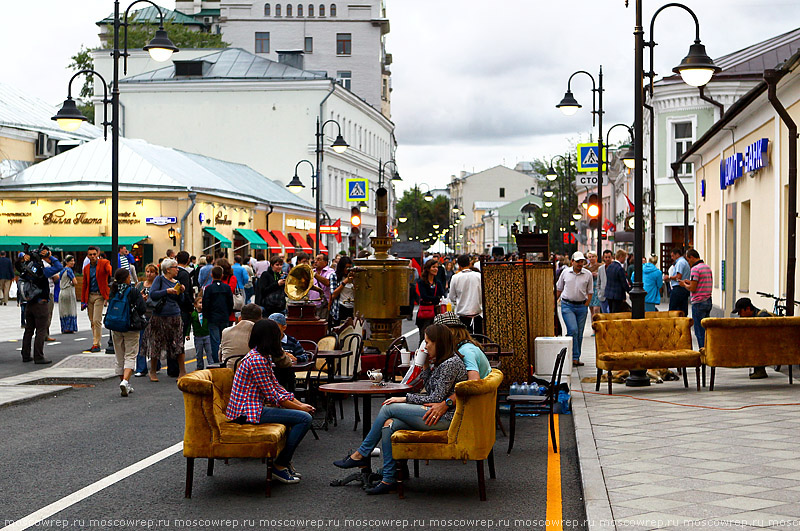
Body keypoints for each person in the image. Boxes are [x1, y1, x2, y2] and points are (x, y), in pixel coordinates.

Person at [333, 323, 467, 495]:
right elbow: (432, 390)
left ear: (438, 342)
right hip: (435, 413)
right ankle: (389, 479)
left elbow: (435, 398)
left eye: (427, 342)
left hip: (446, 418)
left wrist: (405, 398)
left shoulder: (450, 363)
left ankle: (361, 454)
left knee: (390, 407)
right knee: (390, 424)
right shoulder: (442, 362)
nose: (424, 347)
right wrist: (425, 366)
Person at [225, 319, 315, 483]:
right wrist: (301, 409)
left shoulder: (261, 356)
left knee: (300, 415)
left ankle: (283, 462)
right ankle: (279, 465)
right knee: (304, 419)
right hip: (247, 412)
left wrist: (299, 404)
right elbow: (274, 395)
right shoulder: (257, 360)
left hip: (253, 408)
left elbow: (277, 387)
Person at [16, 247, 62, 364]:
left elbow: (17, 265)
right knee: (41, 330)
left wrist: (23, 259)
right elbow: (59, 267)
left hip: (29, 303)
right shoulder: (42, 270)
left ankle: (25, 354)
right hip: (41, 303)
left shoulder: (25, 270)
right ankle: (39, 356)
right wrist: (49, 256)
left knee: (28, 330)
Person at [108, 267, 147, 397]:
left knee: (119, 356)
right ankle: (125, 381)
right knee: (130, 355)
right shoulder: (133, 291)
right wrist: (142, 299)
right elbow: (142, 309)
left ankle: (125, 383)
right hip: (131, 326)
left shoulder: (113, 290)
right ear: (126, 278)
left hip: (116, 326)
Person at [149, 258, 187, 380]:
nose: (177, 269)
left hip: (175, 315)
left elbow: (181, 301)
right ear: (168, 269)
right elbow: (153, 294)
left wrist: (181, 292)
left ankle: (182, 371)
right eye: (175, 267)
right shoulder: (159, 280)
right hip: (160, 316)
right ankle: (153, 371)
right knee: (157, 343)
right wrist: (166, 291)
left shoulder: (177, 282)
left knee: (178, 344)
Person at [556, 251, 594, 366]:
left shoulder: (587, 274)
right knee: (573, 330)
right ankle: (571, 355)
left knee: (579, 333)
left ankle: (575, 357)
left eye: (581, 261)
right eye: (577, 261)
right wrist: (554, 302)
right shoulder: (565, 272)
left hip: (581, 306)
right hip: (567, 305)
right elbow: (559, 288)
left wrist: (586, 304)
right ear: (572, 261)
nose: (579, 264)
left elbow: (590, 291)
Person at [732, 297, 775, 379]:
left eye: (740, 311)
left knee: (757, 343)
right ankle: (758, 370)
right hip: (767, 344)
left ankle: (760, 370)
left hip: (769, 345)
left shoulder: (762, 317)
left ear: (748, 309)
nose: (739, 315)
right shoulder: (754, 316)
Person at [680, 249, 713, 349]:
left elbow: (693, 288)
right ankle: (709, 349)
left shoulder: (695, 269)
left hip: (698, 302)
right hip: (708, 300)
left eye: (688, 260)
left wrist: (684, 284)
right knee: (707, 329)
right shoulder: (707, 267)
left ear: (692, 257)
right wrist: (689, 282)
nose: (688, 263)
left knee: (699, 331)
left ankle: (703, 351)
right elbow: (700, 283)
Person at [82, 246, 112, 352]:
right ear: (87, 256)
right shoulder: (86, 268)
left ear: (97, 254)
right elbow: (85, 284)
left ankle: (96, 344)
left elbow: (109, 271)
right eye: (90, 255)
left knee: (96, 320)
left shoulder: (104, 263)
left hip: (99, 295)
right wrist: (83, 301)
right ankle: (95, 342)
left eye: (94, 254)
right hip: (90, 295)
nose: (93, 256)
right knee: (92, 321)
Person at [266, 312, 305, 391]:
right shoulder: (266, 341)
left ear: (284, 327)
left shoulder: (292, 341)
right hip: (269, 375)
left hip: (287, 374)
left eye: (275, 327)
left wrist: (295, 358)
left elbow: (304, 356)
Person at [204, 266, 234, 361]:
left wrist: (206, 315)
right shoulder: (227, 287)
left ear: (212, 275)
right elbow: (230, 303)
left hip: (212, 317)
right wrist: (228, 313)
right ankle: (225, 358)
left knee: (215, 340)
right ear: (222, 275)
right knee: (224, 339)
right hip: (224, 316)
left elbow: (206, 303)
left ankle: (216, 360)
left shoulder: (209, 289)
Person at [134, 264, 159, 378]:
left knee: (154, 341)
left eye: (152, 272)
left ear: (156, 274)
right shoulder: (139, 285)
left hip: (154, 315)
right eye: (147, 271)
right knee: (141, 342)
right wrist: (140, 298)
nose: (149, 274)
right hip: (142, 316)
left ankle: (156, 365)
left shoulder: (158, 286)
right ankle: (141, 367)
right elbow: (134, 299)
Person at [448, 254, 483, 334]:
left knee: (464, 339)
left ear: (459, 265)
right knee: (478, 339)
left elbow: (452, 297)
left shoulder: (455, 277)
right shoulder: (479, 276)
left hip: (462, 315)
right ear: (470, 263)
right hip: (478, 314)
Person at [416, 258, 445, 347]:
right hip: (425, 313)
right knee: (424, 337)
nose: (436, 269)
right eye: (433, 267)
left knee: (436, 337)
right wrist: (435, 299)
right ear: (428, 269)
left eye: (437, 267)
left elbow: (442, 294)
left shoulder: (438, 283)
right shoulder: (422, 282)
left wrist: (433, 299)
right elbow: (424, 296)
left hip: (436, 312)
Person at [665, 247, 691, 316]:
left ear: (677, 254)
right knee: (682, 309)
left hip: (678, 287)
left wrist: (669, 277)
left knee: (673, 309)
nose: (672, 258)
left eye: (673, 256)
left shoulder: (680, 263)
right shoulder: (684, 262)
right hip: (683, 288)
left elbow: (678, 277)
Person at [187, 295, 212, 370]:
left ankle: (211, 364)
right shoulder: (193, 314)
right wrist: (187, 334)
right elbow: (189, 325)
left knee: (209, 351)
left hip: (207, 334)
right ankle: (199, 366)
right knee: (199, 353)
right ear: (195, 305)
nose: (202, 305)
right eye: (200, 303)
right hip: (198, 336)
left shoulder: (206, 313)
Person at [329, 256, 354, 326]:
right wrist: (344, 282)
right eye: (346, 267)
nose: (347, 270)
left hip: (352, 307)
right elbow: (333, 294)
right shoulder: (334, 276)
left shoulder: (354, 276)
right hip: (340, 307)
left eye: (349, 267)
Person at [604, 249, 631, 313]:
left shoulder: (609, 267)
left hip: (609, 294)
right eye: (624, 258)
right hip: (617, 295)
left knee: (611, 312)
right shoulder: (620, 269)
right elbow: (623, 283)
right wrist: (629, 291)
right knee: (616, 313)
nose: (625, 260)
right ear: (621, 257)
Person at [308, 254, 333, 320]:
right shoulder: (312, 271)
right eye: (315, 259)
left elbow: (327, 283)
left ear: (325, 262)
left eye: (318, 259)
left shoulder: (330, 271)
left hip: (324, 304)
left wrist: (315, 274)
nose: (315, 261)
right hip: (312, 304)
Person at [58, 256, 78, 333]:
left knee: (64, 310)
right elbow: (75, 282)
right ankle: (70, 327)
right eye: (71, 261)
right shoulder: (69, 271)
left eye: (73, 261)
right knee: (70, 310)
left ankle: (64, 327)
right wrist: (71, 283)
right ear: (67, 262)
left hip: (62, 291)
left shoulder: (62, 271)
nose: (73, 263)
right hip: (69, 291)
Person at [216, 258, 239, 324]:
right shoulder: (217, 278)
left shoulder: (232, 278)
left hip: (227, 309)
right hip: (217, 309)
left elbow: (230, 290)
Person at [585, 251, 602, 319]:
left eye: (593, 256)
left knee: (596, 309)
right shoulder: (585, 268)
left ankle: (598, 324)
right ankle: (594, 326)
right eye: (590, 257)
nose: (591, 258)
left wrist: (597, 275)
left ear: (596, 257)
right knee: (591, 310)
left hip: (597, 289)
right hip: (589, 289)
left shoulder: (600, 266)